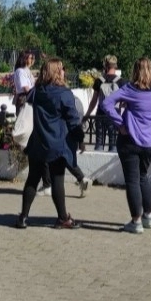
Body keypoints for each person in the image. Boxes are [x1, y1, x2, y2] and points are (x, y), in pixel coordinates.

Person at [14, 57, 83, 229]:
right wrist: (80, 139)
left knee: (32, 179)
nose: (63, 71)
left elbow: (26, 103)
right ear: (58, 72)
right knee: (57, 180)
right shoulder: (64, 94)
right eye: (61, 69)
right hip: (58, 143)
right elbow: (73, 120)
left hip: (38, 142)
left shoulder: (36, 91)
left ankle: (23, 217)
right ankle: (62, 218)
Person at [102, 57, 151, 234]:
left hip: (131, 140)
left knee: (132, 180)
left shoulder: (129, 89)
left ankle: (136, 221)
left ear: (135, 70)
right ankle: (149, 216)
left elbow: (106, 103)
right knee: (143, 176)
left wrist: (120, 124)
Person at [85, 55, 125, 151]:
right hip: (114, 115)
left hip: (100, 114)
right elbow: (123, 102)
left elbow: (94, 100)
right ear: (115, 66)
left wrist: (87, 114)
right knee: (113, 143)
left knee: (99, 142)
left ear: (105, 66)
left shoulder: (99, 81)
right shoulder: (121, 82)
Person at [11, 49, 36, 115]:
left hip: (29, 97)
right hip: (24, 98)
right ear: (25, 59)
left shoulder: (27, 71)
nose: (32, 60)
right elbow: (25, 88)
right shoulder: (20, 71)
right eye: (31, 58)